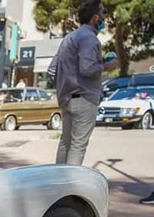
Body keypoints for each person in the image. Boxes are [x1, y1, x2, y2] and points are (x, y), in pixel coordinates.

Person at [48, 0, 117, 165]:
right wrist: (106, 66)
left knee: (65, 143)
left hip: (66, 99)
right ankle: (72, 180)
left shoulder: (69, 38)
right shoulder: (89, 38)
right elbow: (87, 68)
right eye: (103, 13)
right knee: (78, 145)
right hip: (84, 99)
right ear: (95, 18)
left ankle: (58, 177)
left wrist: (64, 86)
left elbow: (51, 70)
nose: (104, 17)